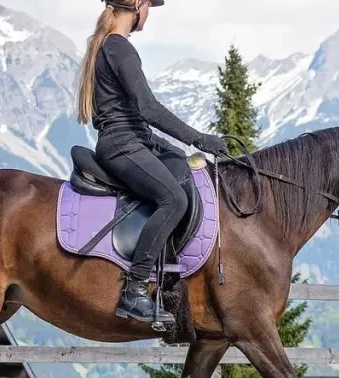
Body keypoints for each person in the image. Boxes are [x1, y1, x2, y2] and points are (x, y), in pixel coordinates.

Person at [74, 0, 228, 324]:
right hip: (122, 145)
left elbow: (135, 116)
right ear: (138, 5)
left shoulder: (111, 46)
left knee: (179, 166)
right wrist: (200, 139)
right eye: (150, 5)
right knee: (174, 199)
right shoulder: (120, 48)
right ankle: (134, 290)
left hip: (131, 139)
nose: (149, 12)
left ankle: (171, 282)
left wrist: (172, 148)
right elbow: (148, 109)